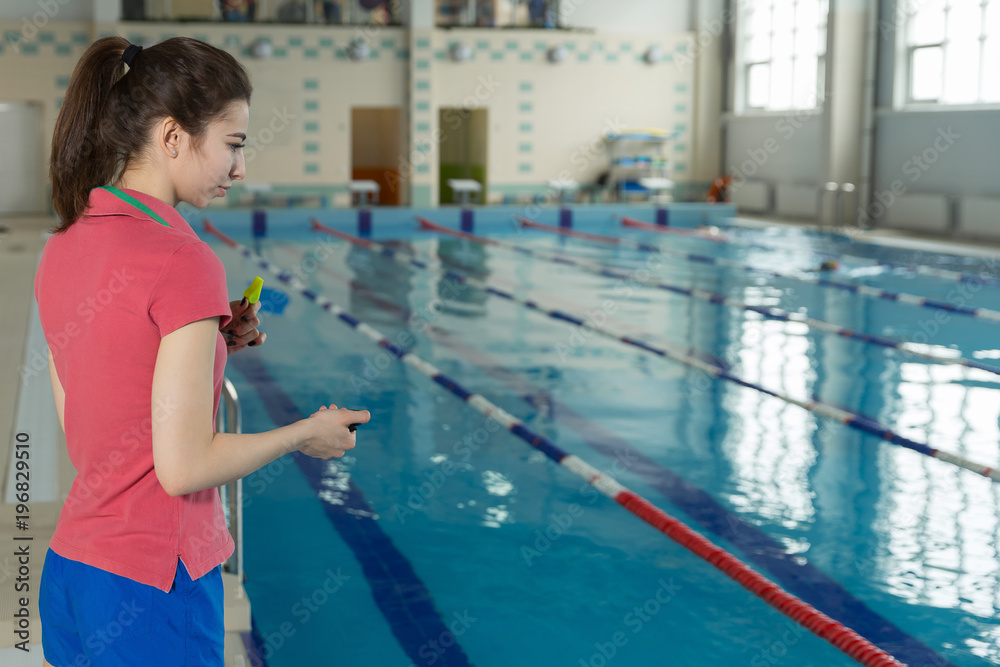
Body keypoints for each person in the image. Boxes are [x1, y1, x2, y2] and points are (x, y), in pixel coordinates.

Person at [35, 36, 369, 666]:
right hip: (155, 585)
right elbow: (183, 468)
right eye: (234, 144)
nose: (241, 169)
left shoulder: (66, 244)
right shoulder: (184, 261)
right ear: (171, 136)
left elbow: (94, 409)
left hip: (75, 571)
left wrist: (206, 342)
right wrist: (306, 433)